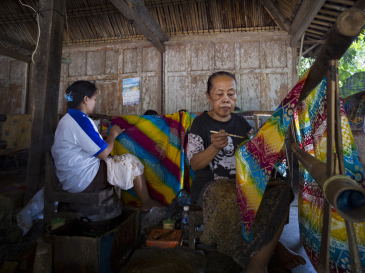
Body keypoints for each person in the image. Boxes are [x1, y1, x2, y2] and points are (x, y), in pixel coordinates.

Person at [187, 71, 306, 272]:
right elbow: (195, 164)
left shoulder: (242, 123)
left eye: (231, 94)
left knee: (282, 192)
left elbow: (257, 153)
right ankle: (265, 257)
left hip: (244, 182)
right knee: (234, 200)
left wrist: (270, 148)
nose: (226, 99)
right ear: (209, 97)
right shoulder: (200, 125)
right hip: (211, 185)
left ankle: (261, 258)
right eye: (219, 95)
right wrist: (214, 148)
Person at [51, 80, 161, 213]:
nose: (95, 103)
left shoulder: (68, 118)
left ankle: (120, 204)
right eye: (95, 99)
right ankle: (147, 203)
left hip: (68, 177)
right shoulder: (81, 120)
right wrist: (112, 135)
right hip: (82, 179)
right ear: (86, 99)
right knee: (132, 162)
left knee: (115, 162)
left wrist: (101, 136)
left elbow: (83, 141)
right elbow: (103, 153)